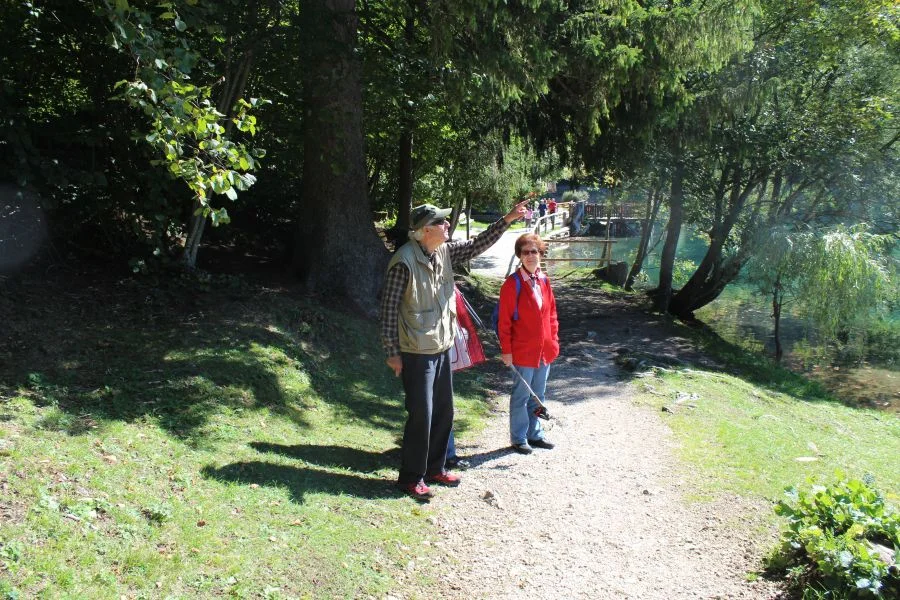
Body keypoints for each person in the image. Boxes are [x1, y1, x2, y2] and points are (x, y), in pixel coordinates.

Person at [381, 200, 528, 499]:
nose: (447, 224)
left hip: (441, 346)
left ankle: (435, 468)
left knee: (444, 411)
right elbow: (388, 310)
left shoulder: (444, 251)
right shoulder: (403, 262)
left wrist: (508, 219)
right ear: (425, 230)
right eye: (441, 222)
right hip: (416, 351)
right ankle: (411, 478)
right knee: (421, 415)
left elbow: (477, 245)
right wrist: (392, 352)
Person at [497, 233, 560, 455]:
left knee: (538, 395)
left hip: (544, 351)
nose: (531, 256)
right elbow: (504, 322)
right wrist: (506, 351)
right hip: (522, 351)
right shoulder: (512, 284)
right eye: (526, 252)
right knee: (522, 396)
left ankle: (535, 434)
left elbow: (551, 314)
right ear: (520, 256)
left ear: (540, 254)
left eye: (534, 251)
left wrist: (554, 341)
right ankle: (519, 438)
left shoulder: (544, 280)